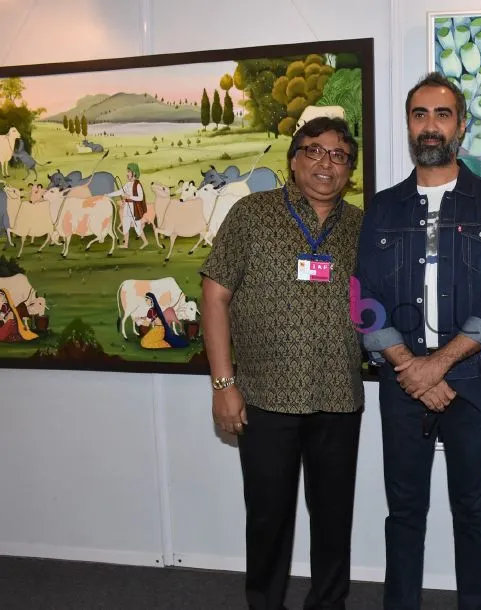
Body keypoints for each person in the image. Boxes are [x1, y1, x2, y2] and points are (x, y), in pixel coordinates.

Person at [356, 72, 481, 610]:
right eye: (420, 114)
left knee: (472, 508)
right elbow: (365, 298)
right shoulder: (381, 209)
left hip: (473, 383)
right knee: (404, 511)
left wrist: (440, 366)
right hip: (402, 384)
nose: (430, 126)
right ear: (409, 124)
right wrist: (412, 367)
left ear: (461, 126)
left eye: (442, 114)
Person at [199, 116, 364, 610]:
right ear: (292, 160)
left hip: (337, 397)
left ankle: (328, 603)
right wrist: (223, 384)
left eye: (338, 155)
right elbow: (214, 295)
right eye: (313, 150)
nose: (324, 163)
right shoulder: (252, 214)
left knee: (334, 517)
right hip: (265, 398)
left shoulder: (361, 225)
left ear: (349, 169)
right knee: (269, 516)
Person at [106, 162, 148, 249]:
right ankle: (126, 244)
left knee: (137, 226)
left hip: (134, 208)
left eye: (129, 171)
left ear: (134, 173)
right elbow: (120, 191)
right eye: (127, 171)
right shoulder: (128, 184)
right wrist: (108, 195)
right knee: (125, 224)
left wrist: (129, 196)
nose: (127, 174)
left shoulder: (137, 184)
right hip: (126, 207)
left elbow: (140, 198)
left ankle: (145, 242)